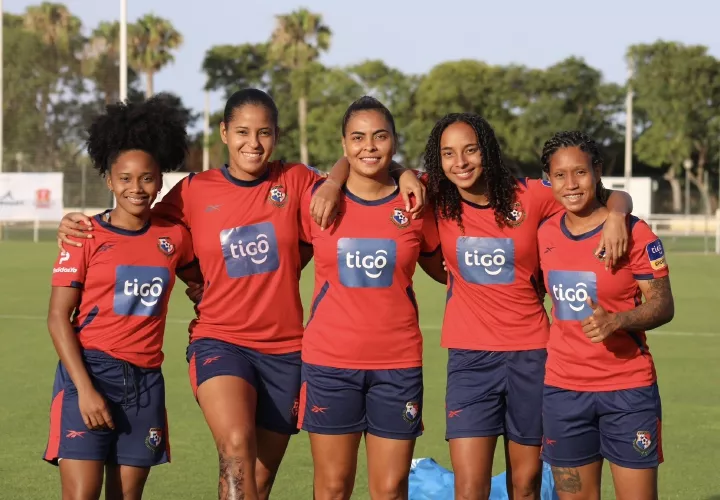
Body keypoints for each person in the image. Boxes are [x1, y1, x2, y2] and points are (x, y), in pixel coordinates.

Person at [55, 88, 426, 500]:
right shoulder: (195, 190)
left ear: (277, 135)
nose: (253, 143)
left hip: (287, 353)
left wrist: (397, 172)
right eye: (243, 132)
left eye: (264, 132)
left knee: (259, 481)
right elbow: (137, 225)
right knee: (235, 448)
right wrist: (81, 225)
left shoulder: (299, 181)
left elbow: (362, 161)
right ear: (224, 133)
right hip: (221, 341)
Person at [421, 113, 635, 500]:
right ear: (438, 161)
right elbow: (384, 173)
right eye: (449, 153)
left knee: (526, 486)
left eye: (470, 149)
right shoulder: (437, 199)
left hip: (532, 356)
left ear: (487, 150)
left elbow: (605, 196)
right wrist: (338, 182)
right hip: (470, 361)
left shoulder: (531, 194)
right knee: (469, 490)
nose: (461, 162)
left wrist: (618, 215)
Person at [43, 95, 199, 500]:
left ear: (160, 180)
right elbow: (58, 318)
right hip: (89, 374)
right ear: (109, 180)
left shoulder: (174, 237)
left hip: (146, 382)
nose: (136, 188)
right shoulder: (84, 236)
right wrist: (87, 389)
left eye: (147, 178)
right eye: (125, 179)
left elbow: (204, 286)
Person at [297, 96, 446, 500]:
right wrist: (332, 181)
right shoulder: (317, 199)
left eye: (379, 137)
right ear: (344, 145)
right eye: (358, 138)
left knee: (392, 488)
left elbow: (445, 267)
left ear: (394, 142)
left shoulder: (416, 202)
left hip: (397, 365)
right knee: (331, 488)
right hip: (330, 363)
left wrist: (405, 175)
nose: (369, 147)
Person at [537, 131, 673, 500]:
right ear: (548, 180)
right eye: (560, 175)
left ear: (596, 171)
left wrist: (619, 320)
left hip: (627, 393)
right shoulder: (544, 232)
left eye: (579, 172)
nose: (571, 184)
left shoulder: (634, 231)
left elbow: (664, 305)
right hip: (564, 394)